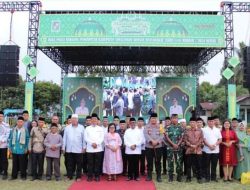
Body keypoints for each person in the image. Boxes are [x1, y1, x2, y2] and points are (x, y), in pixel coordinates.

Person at [62, 114, 86, 181]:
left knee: (79, 164)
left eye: (75, 119)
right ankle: (69, 176)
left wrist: (84, 147)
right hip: (69, 149)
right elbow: (64, 138)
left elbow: (84, 138)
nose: (74, 120)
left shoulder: (81, 127)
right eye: (73, 119)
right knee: (69, 164)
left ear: (77, 120)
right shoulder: (67, 128)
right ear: (71, 120)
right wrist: (63, 148)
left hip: (79, 149)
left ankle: (78, 177)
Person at [84, 113, 104, 182]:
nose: (94, 121)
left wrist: (96, 144)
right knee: (90, 163)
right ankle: (90, 176)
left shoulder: (100, 128)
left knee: (97, 163)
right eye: (93, 119)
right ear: (91, 120)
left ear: (97, 120)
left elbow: (101, 138)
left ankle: (97, 176)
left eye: (95, 119)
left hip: (98, 149)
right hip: (89, 149)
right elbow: (86, 138)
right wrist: (92, 143)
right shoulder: (87, 128)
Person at [183, 117, 203, 183]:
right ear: (189, 123)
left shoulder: (200, 131)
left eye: (194, 122)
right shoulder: (187, 131)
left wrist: (196, 145)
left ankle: (199, 178)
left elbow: (201, 139)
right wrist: (191, 145)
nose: (192, 123)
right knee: (188, 165)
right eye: (191, 122)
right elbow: (185, 140)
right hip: (189, 150)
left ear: (196, 123)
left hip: (198, 150)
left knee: (199, 165)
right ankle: (188, 178)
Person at [144, 113, 163, 182]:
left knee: (158, 162)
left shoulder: (160, 126)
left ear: (157, 119)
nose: (153, 120)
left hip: (158, 147)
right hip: (149, 147)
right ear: (150, 119)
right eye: (152, 118)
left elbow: (162, 136)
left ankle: (159, 176)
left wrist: (157, 142)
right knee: (149, 162)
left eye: (155, 118)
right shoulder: (146, 126)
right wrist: (152, 141)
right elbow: (145, 135)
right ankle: (149, 176)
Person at [165, 114, 184, 182]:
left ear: (177, 119)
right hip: (170, 148)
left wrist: (177, 144)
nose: (174, 119)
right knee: (170, 162)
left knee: (179, 162)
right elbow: (167, 137)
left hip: (179, 148)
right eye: (173, 118)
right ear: (171, 119)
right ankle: (170, 177)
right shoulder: (168, 128)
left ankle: (179, 176)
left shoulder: (181, 128)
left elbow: (182, 137)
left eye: (176, 118)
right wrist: (173, 144)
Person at [202, 116, 222, 182]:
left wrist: (215, 145)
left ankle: (213, 177)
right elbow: (203, 139)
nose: (211, 122)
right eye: (209, 121)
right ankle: (207, 177)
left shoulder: (217, 130)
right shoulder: (204, 129)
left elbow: (220, 139)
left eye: (212, 121)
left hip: (215, 150)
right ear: (207, 122)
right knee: (206, 165)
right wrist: (209, 146)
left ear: (214, 122)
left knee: (214, 164)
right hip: (206, 150)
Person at [29, 116, 49, 181]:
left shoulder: (46, 130)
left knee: (41, 163)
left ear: (44, 123)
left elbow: (47, 139)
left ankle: (40, 175)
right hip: (34, 148)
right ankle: (34, 176)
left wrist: (45, 148)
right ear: (38, 122)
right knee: (34, 163)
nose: (41, 123)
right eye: (40, 122)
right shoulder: (34, 129)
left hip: (42, 148)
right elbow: (30, 138)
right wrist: (30, 147)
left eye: (42, 122)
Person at [0, 111, 10, 180]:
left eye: (1, 116)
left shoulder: (6, 125)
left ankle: (5, 172)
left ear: (3, 117)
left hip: (3, 145)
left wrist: (2, 141)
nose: (0, 117)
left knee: (4, 159)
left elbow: (7, 134)